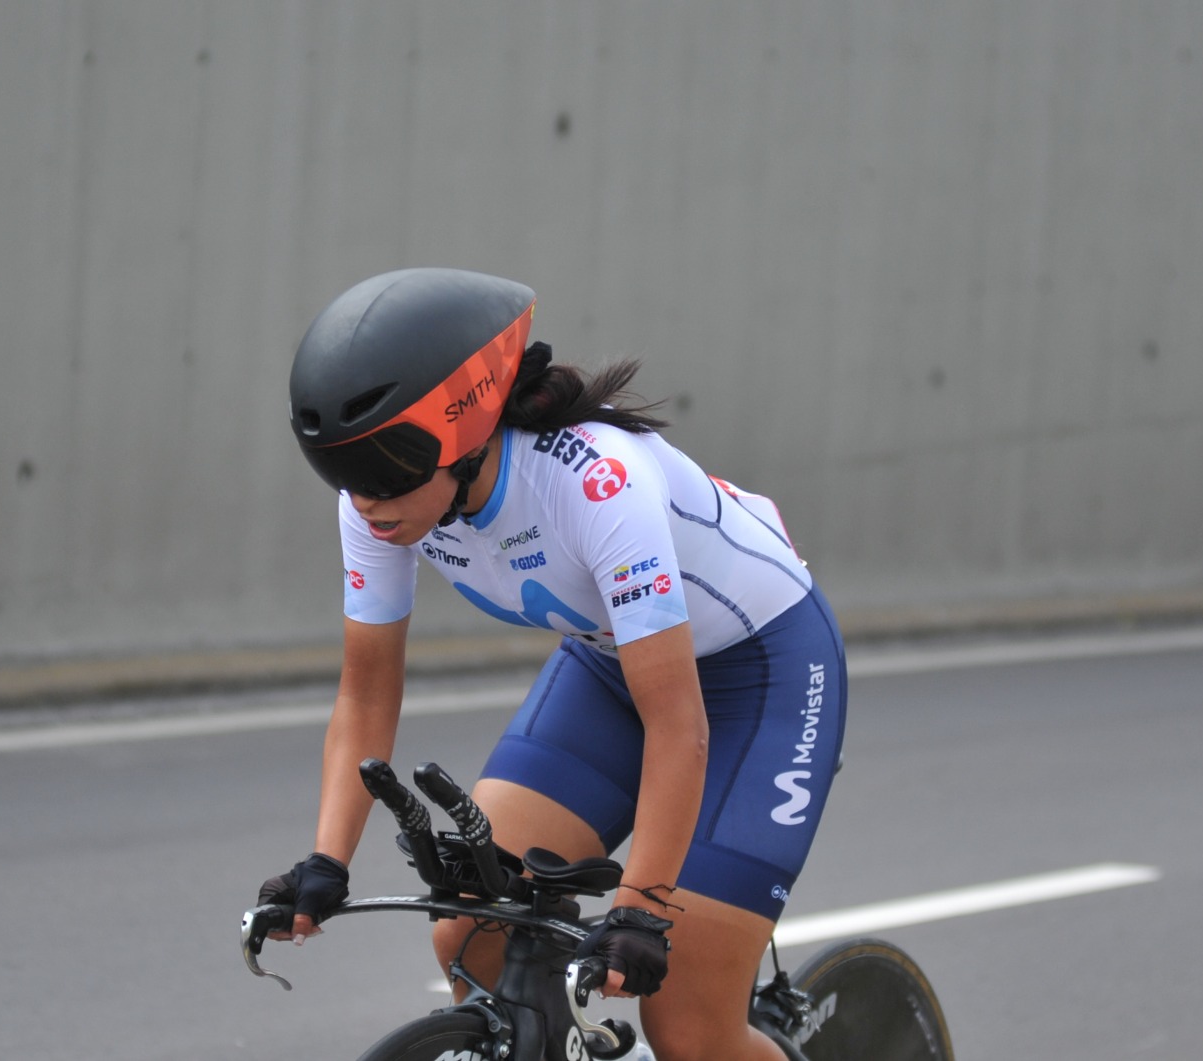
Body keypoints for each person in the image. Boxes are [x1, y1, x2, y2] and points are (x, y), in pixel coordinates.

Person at [258, 267, 847, 1061]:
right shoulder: (380, 504)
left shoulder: (596, 484)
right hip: (613, 666)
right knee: (472, 937)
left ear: (464, 433)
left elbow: (679, 723)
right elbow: (365, 696)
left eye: (388, 469)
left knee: (687, 1025)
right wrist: (326, 860)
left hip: (762, 673)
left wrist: (640, 907)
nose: (366, 501)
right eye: (343, 471)